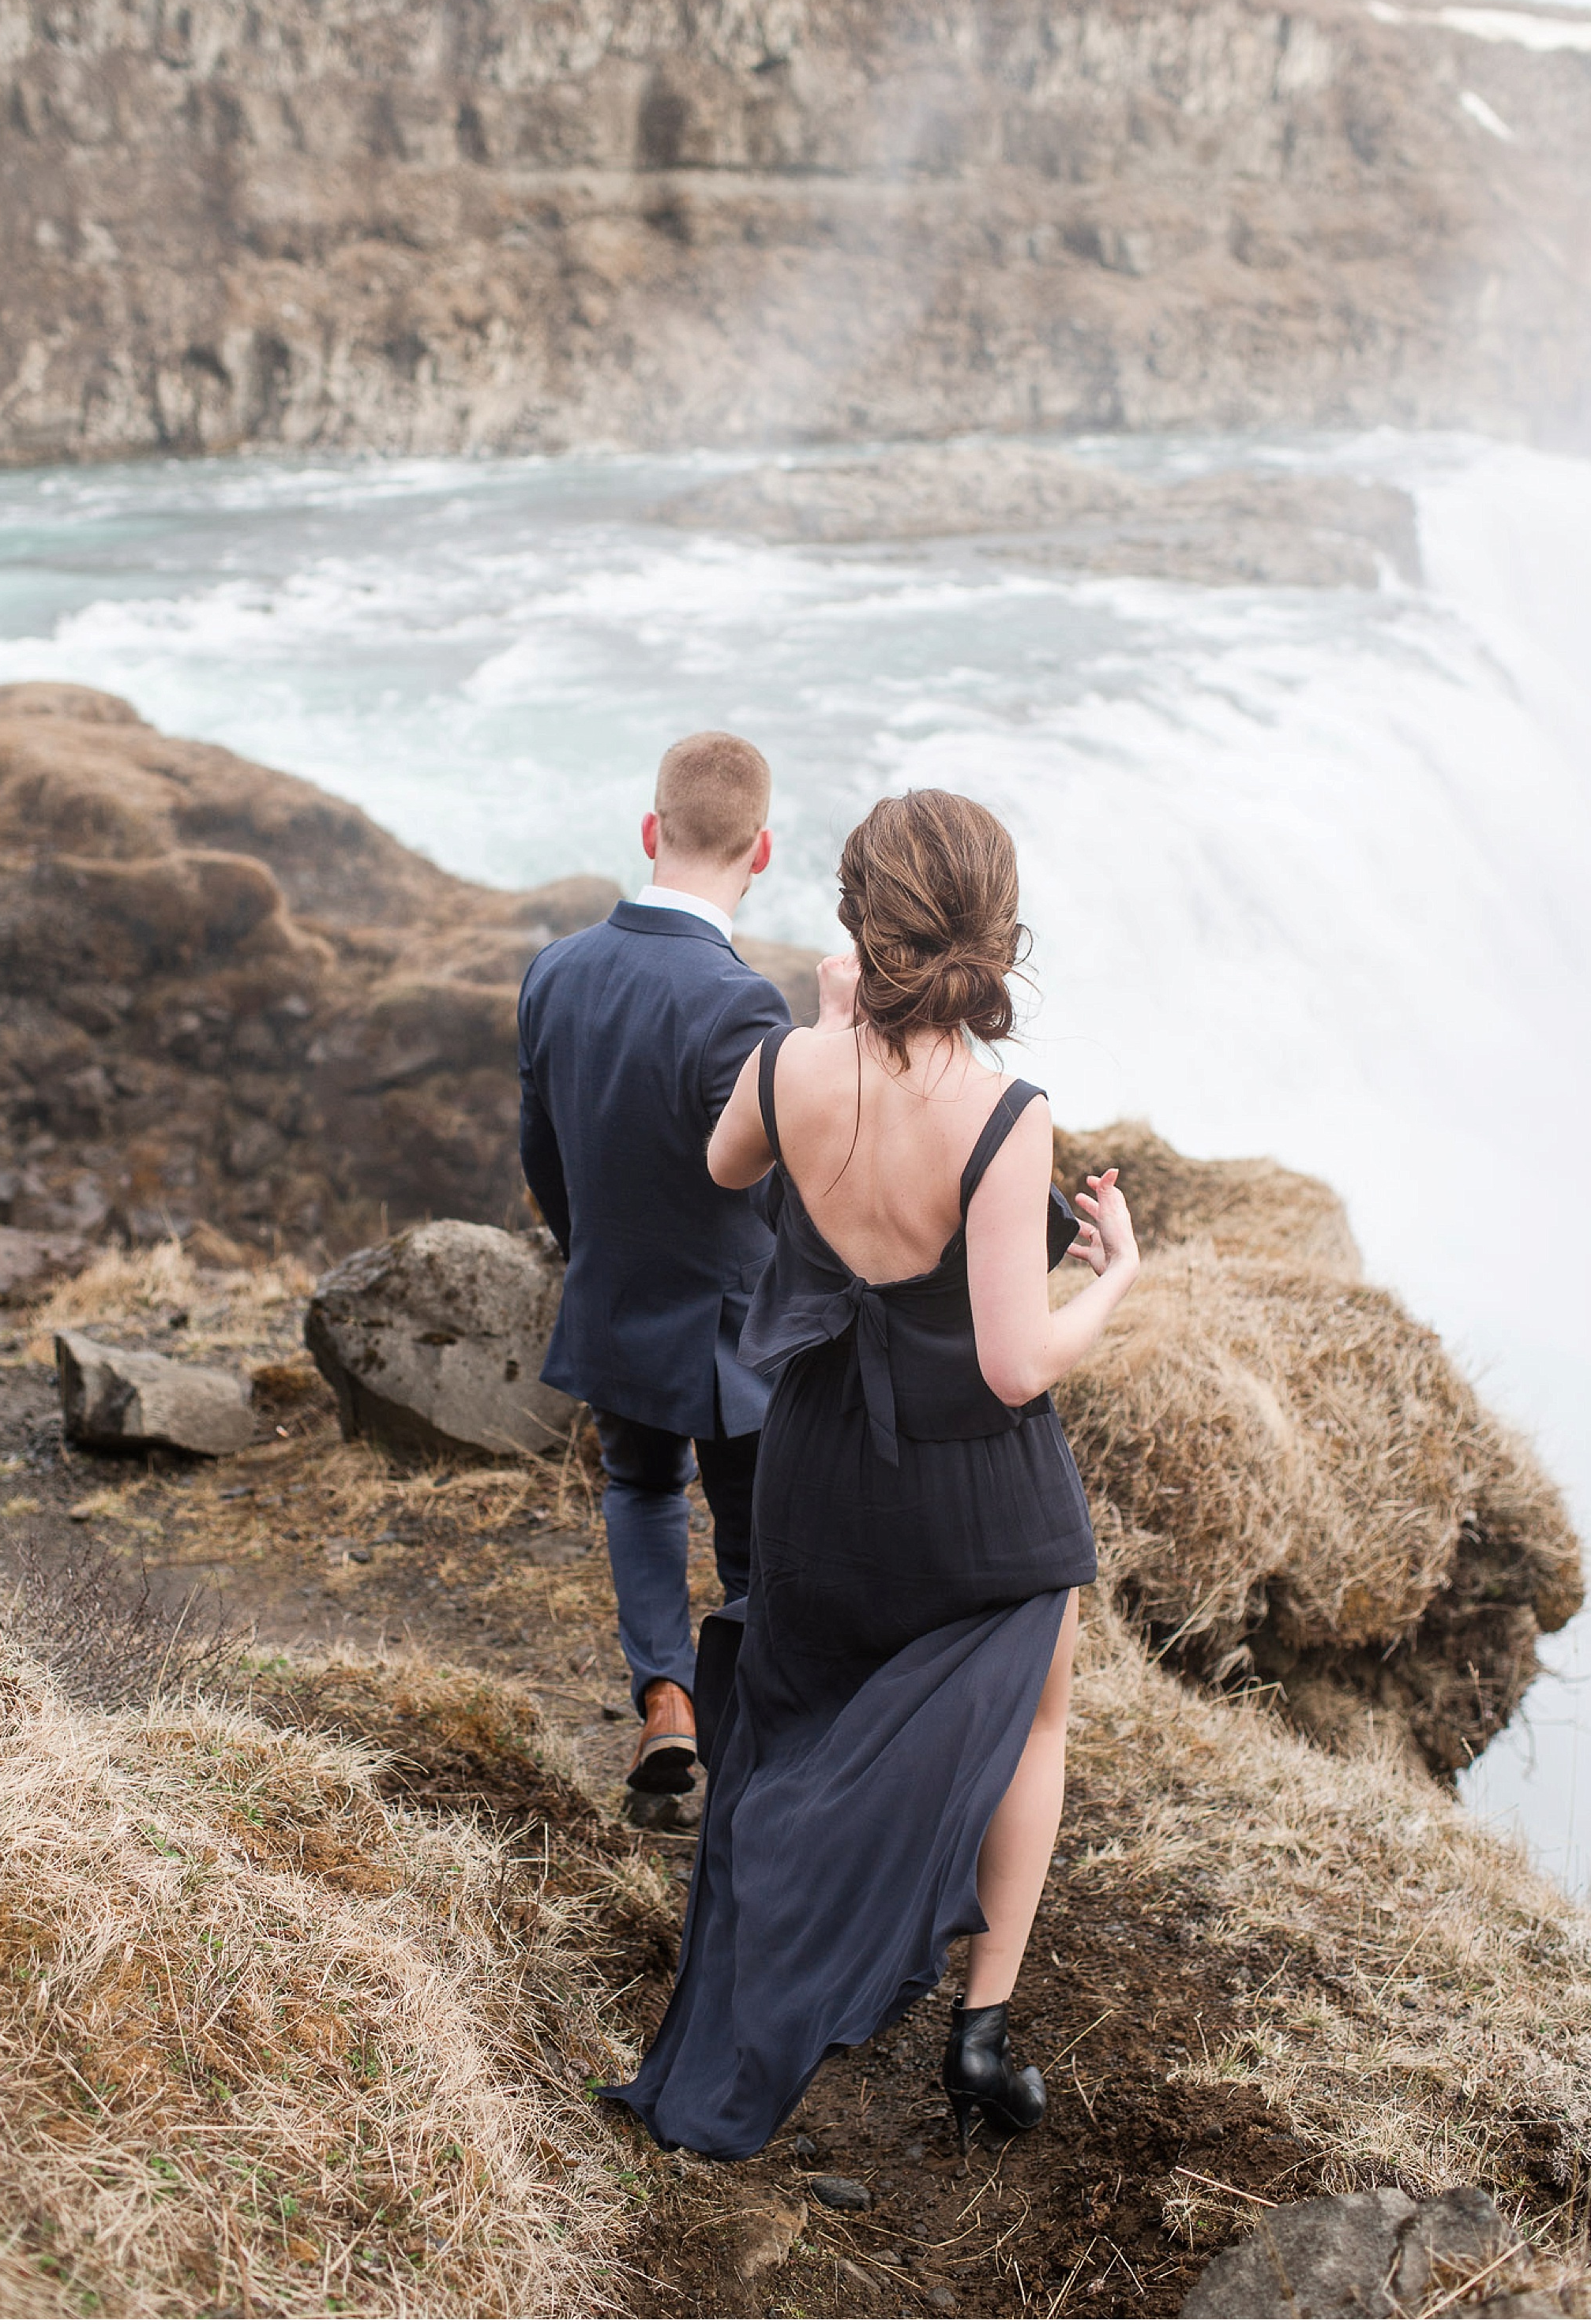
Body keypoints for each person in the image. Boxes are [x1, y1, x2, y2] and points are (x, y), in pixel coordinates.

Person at [601, 786, 1141, 2158]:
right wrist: (1116, 1282)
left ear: (858, 919)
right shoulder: (1009, 1112)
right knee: (1031, 1725)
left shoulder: (792, 1063)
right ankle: (982, 2030)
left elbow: (728, 1164)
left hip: (821, 1466)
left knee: (798, 1711)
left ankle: (768, 1966)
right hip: (981, 1493)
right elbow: (1016, 1364)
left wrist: (827, 1029)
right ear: (994, 930)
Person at [518, 733, 812, 1805]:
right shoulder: (743, 1004)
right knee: (751, 1549)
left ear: (650, 832)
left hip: (613, 1302)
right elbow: (776, 1189)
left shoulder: (555, 973)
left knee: (640, 1490)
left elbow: (540, 1153)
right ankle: (743, 1756)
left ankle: (666, 1701)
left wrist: (587, 1251)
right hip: (732, 1335)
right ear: (763, 851)